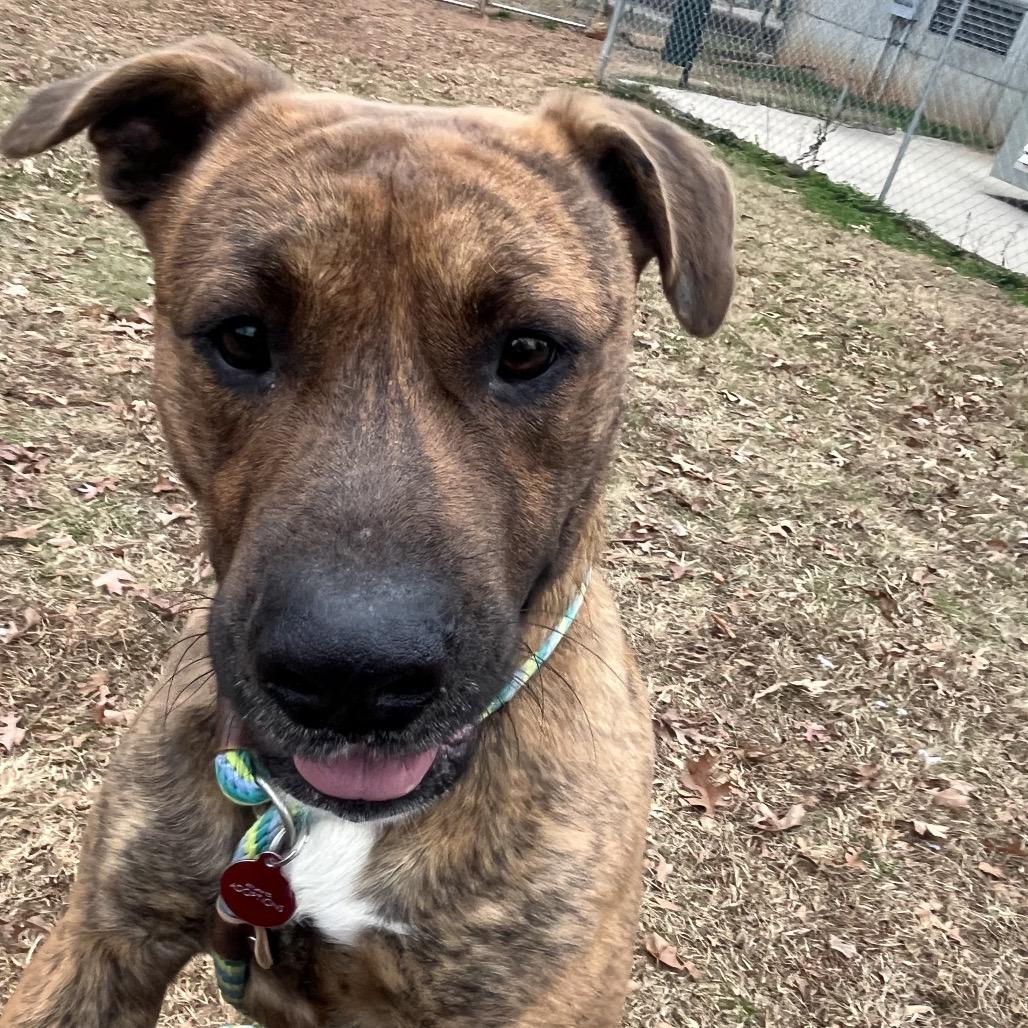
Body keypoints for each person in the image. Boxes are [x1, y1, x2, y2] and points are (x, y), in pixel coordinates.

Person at [662, 0, 714, 87]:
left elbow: (703, 19)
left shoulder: (704, 4)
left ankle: (682, 75)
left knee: (689, 48)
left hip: (690, 27)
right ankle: (679, 72)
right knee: (686, 47)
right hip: (686, 26)